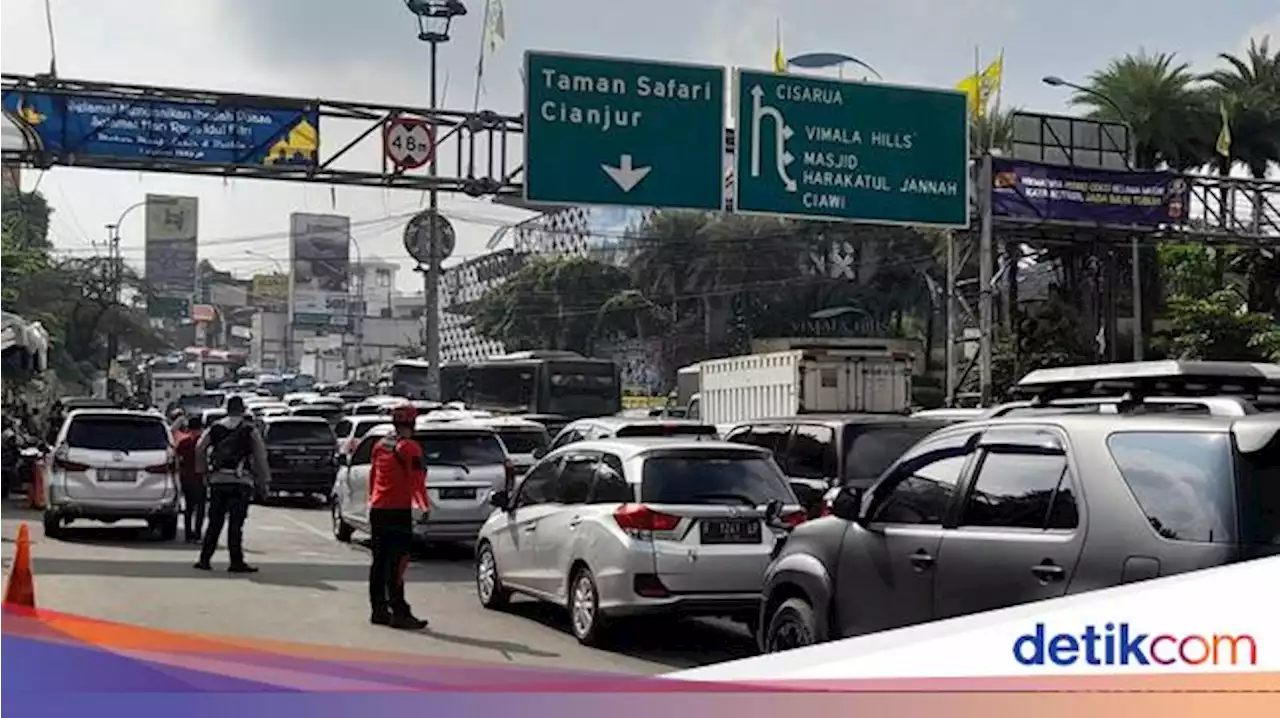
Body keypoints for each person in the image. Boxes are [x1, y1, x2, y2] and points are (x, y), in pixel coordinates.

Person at [367, 403, 429, 630]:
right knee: (397, 563)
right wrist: (424, 507)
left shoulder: (381, 445)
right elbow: (417, 481)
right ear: (413, 423)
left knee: (379, 563)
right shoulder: (409, 447)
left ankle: (379, 610)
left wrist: (371, 500)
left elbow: (373, 476)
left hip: (378, 509)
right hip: (397, 511)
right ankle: (400, 612)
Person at [193, 396, 269, 573]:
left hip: (218, 480)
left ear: (226, 409)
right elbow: (260, 457)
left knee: (214, 522)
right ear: (242, 410)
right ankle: (236, 562)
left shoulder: (215, 428)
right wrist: (263, 481)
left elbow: (200, 448)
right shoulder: (249, 430)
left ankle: (204, 560)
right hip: (241, 481)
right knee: (236, 524)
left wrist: (203, 471)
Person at [175, 413, 207, 543]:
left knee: (188, 507)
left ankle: (188, 534)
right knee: (200, 508)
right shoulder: (203, 442)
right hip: (200, 478)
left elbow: (177, 458)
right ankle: (198, 533)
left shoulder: (184, 442)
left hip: (186, 477)